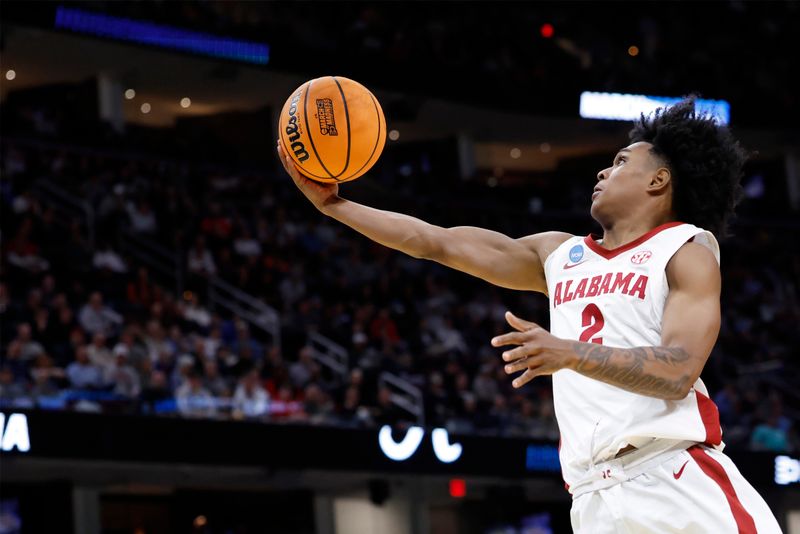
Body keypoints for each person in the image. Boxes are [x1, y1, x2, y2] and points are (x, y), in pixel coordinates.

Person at [277, 98, 781, 533]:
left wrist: (569, 353)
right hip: (593, 498)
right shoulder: (559, 255)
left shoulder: (684, 249)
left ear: (660, 179)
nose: (603, 171)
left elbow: (677, 370)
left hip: (675, 479)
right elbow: (436, 241)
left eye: (621, 161)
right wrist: (334, 206)